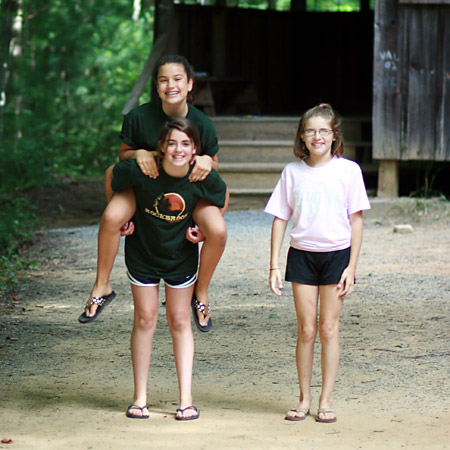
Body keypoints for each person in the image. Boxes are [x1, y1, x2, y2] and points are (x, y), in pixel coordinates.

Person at [79, 55, 228, 331]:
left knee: (218, 230)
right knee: (111, 217)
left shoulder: (202, 123)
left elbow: (215, 171)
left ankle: (202, 291)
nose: (170, 85)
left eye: (177, 79)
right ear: (157, 86)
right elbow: (119, 160)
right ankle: (102, 284)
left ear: (190, 84)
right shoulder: (138, 117)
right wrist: (139, 153)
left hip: (188, 191)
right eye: (163, 80)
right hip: (143, 188)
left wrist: (209, 160)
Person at [111, 117, 226, 419]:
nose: (178, 149)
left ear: (195, 150)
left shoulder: (200, 176)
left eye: (186, 144)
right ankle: (140, 399)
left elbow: (222, 196)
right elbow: (113, 178)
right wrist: (120, 218)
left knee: (179, 322)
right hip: (143, 254)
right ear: (160, 147)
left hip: (180, 258)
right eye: (172, 143)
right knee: (145, 320)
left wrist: (204, 229)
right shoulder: (143, 170)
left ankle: (185, 401)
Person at [265, 103, 370, 424]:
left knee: (328, 328)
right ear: (302, 136)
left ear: (334, 135)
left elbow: (357, 221)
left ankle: (326, 400)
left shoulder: (349, 170)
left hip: (337, 256)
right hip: (302, 256)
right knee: (307, 329)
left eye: (324, 130)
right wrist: (273, 265)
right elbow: (280, 219)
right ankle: (304, 398)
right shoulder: (292, 172)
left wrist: (352, 267)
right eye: (310, 131)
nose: (317, 136)